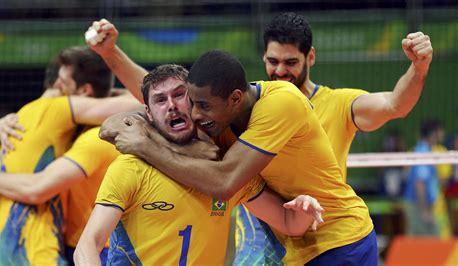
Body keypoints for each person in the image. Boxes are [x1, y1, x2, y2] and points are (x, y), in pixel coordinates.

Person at [98, 48, 376, 265]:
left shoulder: (281, 103)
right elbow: (110, 127)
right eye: (193, 103)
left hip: (338, 237)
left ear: (234, 99)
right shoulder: (216, 118)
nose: (195, 114)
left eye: (202, 106)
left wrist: (145, 145)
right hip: (288, 242)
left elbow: (224, 182)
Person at [234, 12, 434, 264]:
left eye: (291, 62)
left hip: (337, 242)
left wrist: (420, 66)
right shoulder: (254, 110)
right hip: (284, 250)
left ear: (311, 57)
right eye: (273, 61)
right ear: (263, 57)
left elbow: (395, 104)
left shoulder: (339, 103)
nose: (280, 70)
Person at [74, 64, 324, 265]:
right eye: (160, 100)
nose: (171, 105)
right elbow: (87, 246)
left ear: (194, 100)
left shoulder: (223, 169)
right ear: (147, 114)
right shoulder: (130, 168)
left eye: (179, 95)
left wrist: (304, 208)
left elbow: (289, 223)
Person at [0, 46, 141, 265]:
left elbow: (37, 189)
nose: (56, 87)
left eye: (63, 83)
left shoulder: (94, 135)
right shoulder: (67, 130)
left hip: (97, 250)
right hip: (71, 246)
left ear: (85, 92)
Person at [404, 119, 451, 238]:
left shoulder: (427, 151)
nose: (443, 134)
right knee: (429, 243)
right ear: (433, 133)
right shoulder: (423, 153)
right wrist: (425, 210)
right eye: (440, 131)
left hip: (421, 204)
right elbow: (420, 183)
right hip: (419, 206)